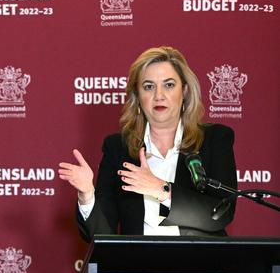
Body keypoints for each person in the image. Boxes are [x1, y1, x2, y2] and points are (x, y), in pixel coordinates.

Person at [58, 46, 236, 242]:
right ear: (137, 95)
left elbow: (221, 213)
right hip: (139, 268)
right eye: (149, 86)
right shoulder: (118, 148)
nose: (159, 95)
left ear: (184, 91)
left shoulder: (214, 139)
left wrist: (161, 189)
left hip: (199, 266)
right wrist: (87, 195)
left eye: (168, 85)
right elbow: (101, 235)